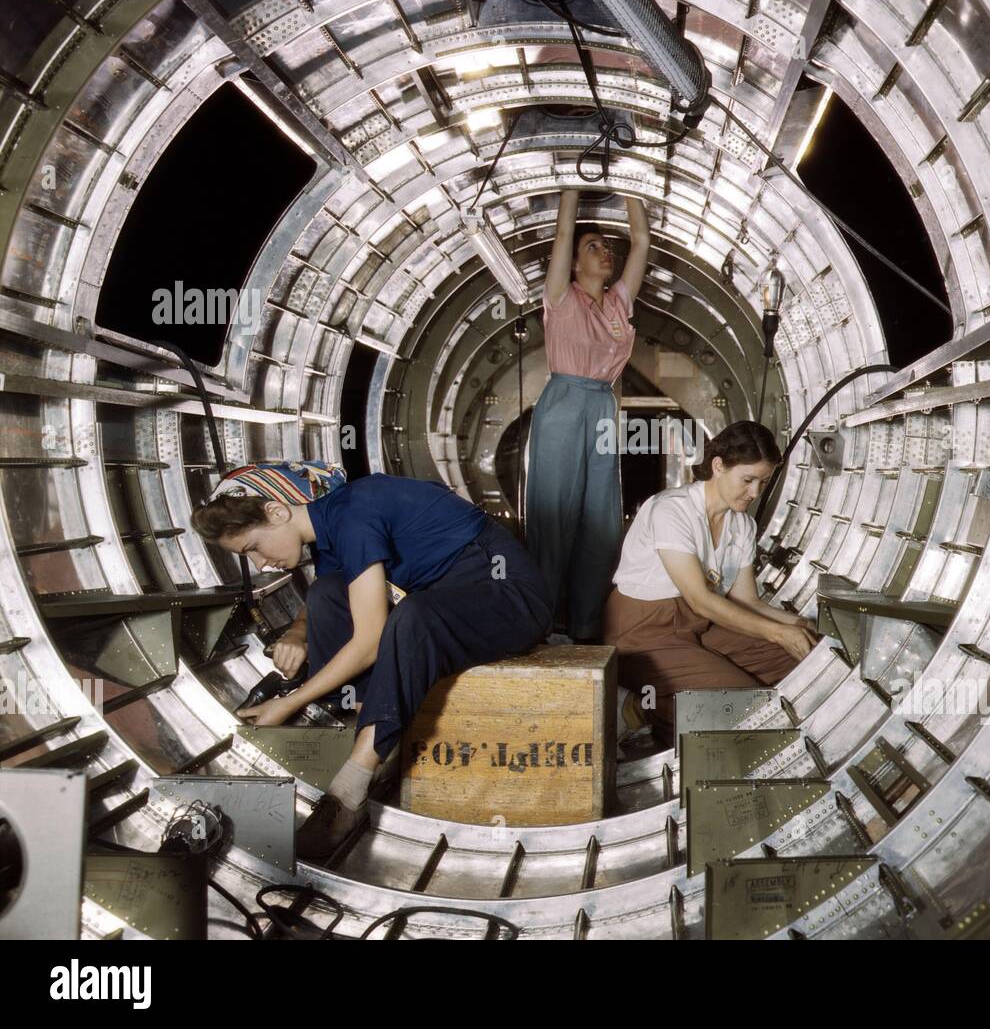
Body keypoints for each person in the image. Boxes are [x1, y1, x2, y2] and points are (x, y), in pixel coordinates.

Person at [191, 462, 552, 857]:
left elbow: (370, 641)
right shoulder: (330, 526)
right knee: (327, 592)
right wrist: (297, 632)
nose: (260, 564)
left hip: (510, 600)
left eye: (254, 548)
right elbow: (339, 595)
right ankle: (368, 727)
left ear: (277, 511)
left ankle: (351, 789)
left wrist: (290, 702)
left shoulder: (356, 515)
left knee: (415, 617)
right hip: (443, 601)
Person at [603, 422, 820, 743]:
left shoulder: (741, 524)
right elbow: (700, 599)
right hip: (642, 632)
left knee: (801, 659)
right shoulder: (671, 510)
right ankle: (637, 710)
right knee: (741, 701)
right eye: (748, 480)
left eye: (763, 482)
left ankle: (670, 699)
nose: (755, 493)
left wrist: (801, 625)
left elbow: (747, 601)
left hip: (698, 627)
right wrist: (778, 631)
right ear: (718, 466)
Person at [526, 188, 650, 641]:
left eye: (605, 246)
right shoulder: (561, 295)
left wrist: (633, 185)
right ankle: (539, 622)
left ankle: (585, 625)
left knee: (600, 517)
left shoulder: (619, 303)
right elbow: (563, 232)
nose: (605, 251)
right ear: (575, 264)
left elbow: (640, 240)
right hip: (563, 403)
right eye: (592, 247)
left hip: (601, 404)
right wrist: (573, 184)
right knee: (553, 514)